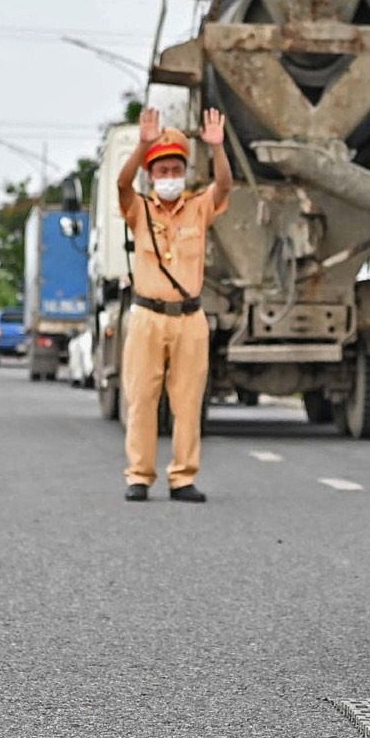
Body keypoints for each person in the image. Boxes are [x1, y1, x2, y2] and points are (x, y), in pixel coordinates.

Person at [115, 106, 229, 503]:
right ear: (152, 176)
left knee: (188, 400)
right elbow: (122, 184)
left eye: (174, 170)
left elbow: (225, 187)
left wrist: (217, 149)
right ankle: (139, 475)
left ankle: (182, 477)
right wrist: (143, 145)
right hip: (147, 315)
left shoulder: (198, 208)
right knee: (142, 399)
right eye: (161, 171)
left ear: (184, 173)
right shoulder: (140, 209)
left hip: (190, 318)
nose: (168, 178)